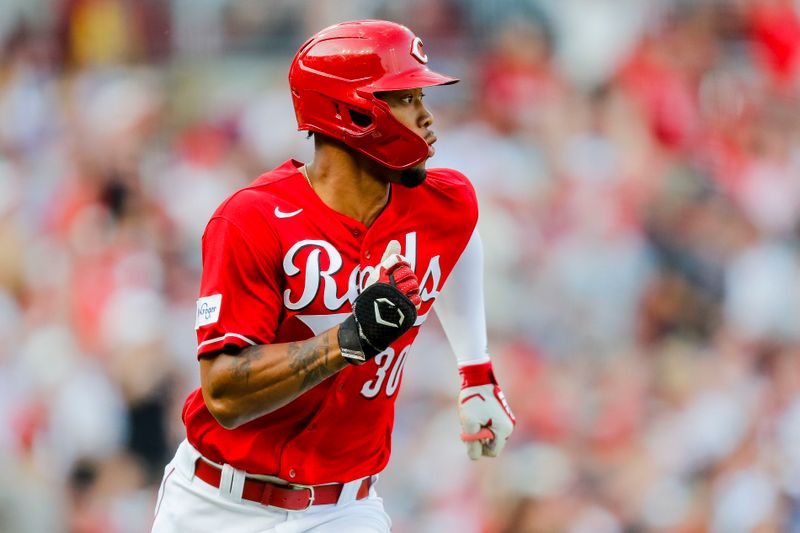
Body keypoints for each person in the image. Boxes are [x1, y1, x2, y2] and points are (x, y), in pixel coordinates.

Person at [151, 19, 515, 533]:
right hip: (219, 503)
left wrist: (476, 371)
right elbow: (226, 395)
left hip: (346, 508)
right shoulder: (252, 218)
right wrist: (347, 341)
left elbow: (462, 234)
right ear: (353, 112)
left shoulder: (445, 201)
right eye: (407, 99)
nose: (429, 118)